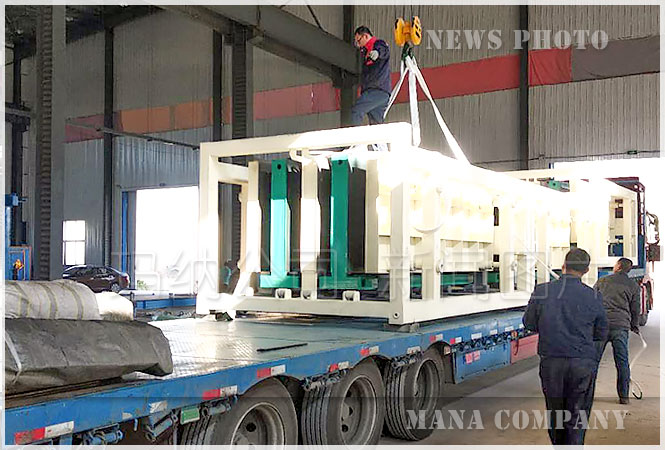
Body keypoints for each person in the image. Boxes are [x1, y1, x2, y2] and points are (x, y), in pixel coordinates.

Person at [523, 248, 608, 445]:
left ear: (563, 266)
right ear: (586, 270)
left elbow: (529, 323)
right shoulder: (594, 296)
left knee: (555, 412)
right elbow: (601, 333)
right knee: (578, 413)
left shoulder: (542, 291)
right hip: (582, 363)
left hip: (552, 362)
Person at [593, 257, 641, 404]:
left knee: (593, 361)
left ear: (618, 266)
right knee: (622, 362)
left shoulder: (603, 281)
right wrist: (634, 326)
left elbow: (592, 301)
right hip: (621, 326)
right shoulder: (633, 286)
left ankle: (587, 393)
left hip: (601, 326)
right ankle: (624, 397)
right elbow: (635, 309)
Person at [351, 26, 391, 126]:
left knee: (356, 111)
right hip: (380, 93)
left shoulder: (378, 44)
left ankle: (355, 136)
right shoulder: (364, 53)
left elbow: (384, 50)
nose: (358, 45)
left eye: (359, 41)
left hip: (376, 90)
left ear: (365, 36)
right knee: (376, 124)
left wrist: (377, 53)